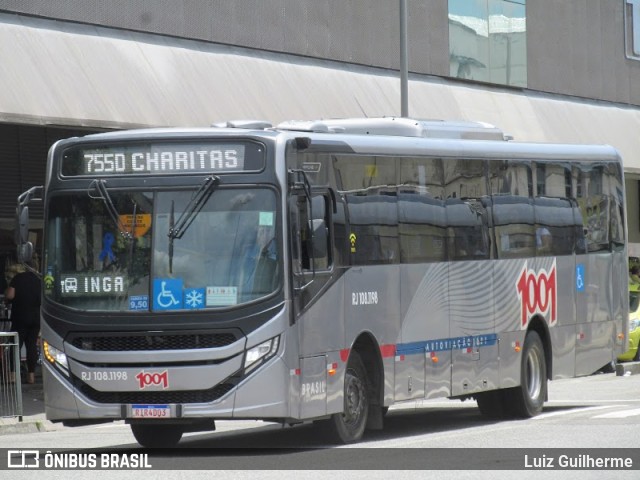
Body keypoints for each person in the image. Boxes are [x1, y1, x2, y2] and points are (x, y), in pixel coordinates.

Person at [5, 262, 41, 384]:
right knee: (31, 346)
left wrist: (6, 293)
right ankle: (31, 376)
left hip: (20, 317)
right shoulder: (38, 280)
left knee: (15, 345)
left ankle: (13, 376)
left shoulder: (17, 279)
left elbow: (10, 295)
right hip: (36, 318)